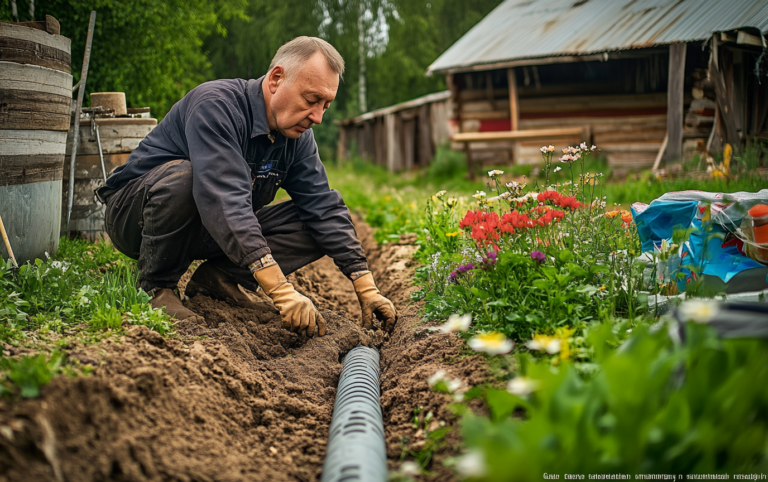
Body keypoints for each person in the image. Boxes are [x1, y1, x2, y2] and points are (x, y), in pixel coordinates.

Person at [95, 37, 396, 337]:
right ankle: (156, 288)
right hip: (136, 218)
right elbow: (225, 200)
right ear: (276, 79)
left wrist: (366, 286)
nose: (317, 117)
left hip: (207, 227)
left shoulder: (297, 137)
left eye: (325, 106)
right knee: (187, 178)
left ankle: (219, 278)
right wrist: (281, 290)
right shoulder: (216, 106)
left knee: (316, 221)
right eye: (311, 100)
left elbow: (323, 206)